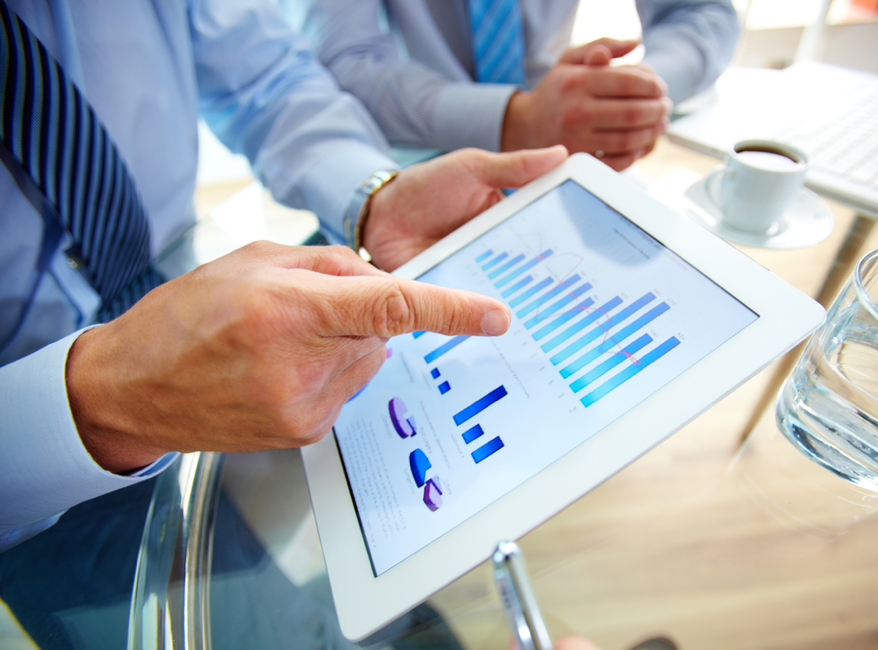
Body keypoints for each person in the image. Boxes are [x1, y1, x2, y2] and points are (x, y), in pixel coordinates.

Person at [0, 0, 568, 552]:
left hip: (218, 325)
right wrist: (101, 402)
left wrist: (375, 198)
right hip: (42, 489)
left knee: (367, 542)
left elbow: (266, 79)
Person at [277, 0, 739, 170]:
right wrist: (514, 119)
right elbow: (341, 64)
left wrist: (634, 96)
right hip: (398, 157)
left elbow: (699, 11)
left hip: (563, 149)